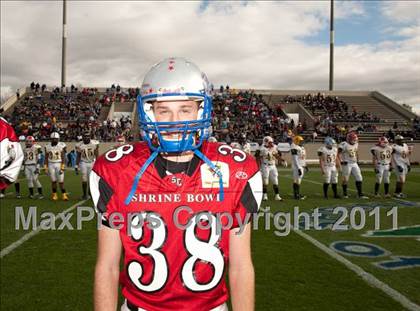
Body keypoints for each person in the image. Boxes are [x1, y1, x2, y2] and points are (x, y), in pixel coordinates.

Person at [90, 57, 262, 311]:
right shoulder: (117, 170)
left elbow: (240, 266)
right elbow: (107, 266)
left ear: (201, 110)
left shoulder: (236, 169)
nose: (174, 121)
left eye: (185, 109)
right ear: (149, 113)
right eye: (163, 111)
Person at [338, 132, 368, 199]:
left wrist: (358, 160)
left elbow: (356, 152)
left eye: (355, 139)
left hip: (354, 163)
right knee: (345, 179)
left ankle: (360, 194)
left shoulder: (356, 144)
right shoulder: (344, 144)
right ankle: (345, 194)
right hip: (347, 163)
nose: (354, 140)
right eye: (353, 139)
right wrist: (341, 162)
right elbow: (337, 154)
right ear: (349, 139)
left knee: (359, 177)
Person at [255, 136, 286, 201]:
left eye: (271, 142)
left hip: (273, 166)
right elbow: (257, 158)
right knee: (265, 182)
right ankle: (265, 196)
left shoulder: (274, 147)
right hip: (265, 166)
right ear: (266, 142)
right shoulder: (261, 149)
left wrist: (282, 160)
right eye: (270, 142)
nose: (271, 144)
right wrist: (258, 168)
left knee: (275, 181)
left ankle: (277, 196)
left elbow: (276, 155)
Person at [0, 116, 24, 196]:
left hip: (9, 163)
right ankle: (2, 192)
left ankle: (17, 193)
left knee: (14, 178)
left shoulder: (12, 144)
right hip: (7, 162)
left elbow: (13, 154)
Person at [45, 132, 68, 201]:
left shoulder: (62, 145)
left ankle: (64, 194)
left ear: (58, 139)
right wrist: (45, 167)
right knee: (53, 181)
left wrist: (62, 167)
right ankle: (54, 194)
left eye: (56, 139)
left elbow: (63, 157)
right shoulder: (47, 146)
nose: (55, 140)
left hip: (59, 163)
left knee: (61, 181)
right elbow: (46, 157)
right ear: (51, 139)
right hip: (50, 164)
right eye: (53, 139)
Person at [75, 131, 99, 199]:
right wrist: (76, 165)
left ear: (90, 137)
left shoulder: (95, 143)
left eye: (88, 136)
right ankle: (84, 194)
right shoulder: (79, 145)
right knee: (84, 178)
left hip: (92, 162)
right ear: (82, 137)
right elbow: (78, 156)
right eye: (85, 136)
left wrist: (98, 164)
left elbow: (96, 154)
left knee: (91, 179)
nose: (86, 138)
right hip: (83, 162)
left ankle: (90, 192)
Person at [290, 135, 307, 200]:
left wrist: (305, 165)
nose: (302, 142)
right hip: (297, 166)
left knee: (296, 180)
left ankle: (296, 194)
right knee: (297, 180)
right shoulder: (295, 147)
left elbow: (302, 158)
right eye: (300, 141)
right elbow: (295, 159)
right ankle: (297, 195)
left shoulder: (301, 148)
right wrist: (299, 168)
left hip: (300, 165)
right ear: (296, 141)